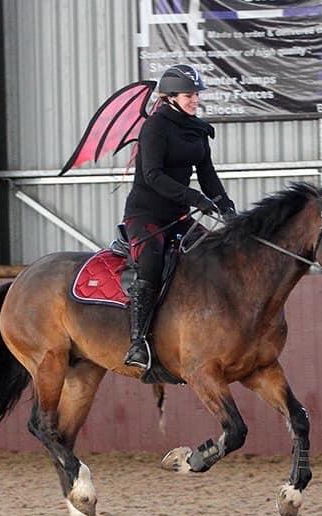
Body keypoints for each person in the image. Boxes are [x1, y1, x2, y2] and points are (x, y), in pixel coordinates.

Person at [122, 64, 236, 369]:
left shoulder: (197, 129)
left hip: (179, 214)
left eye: (197, 95)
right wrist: (197, 199)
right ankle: (138, 342)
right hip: (146, 214)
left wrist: (225, 205)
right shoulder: (155, 127)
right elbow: (153, 175)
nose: (195, 100)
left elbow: (207, 174)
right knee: (152, 261)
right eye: (189, 95)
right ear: (170, 97)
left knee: (214, 254)